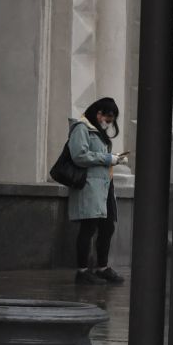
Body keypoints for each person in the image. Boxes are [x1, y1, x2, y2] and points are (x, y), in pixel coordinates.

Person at [67, 97, 127, 285]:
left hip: (105, 186)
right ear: (98, 112)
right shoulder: (81, 128)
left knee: (108, 227)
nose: (108, 123)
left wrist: (115, 158)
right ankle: (82, 271)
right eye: (107, 118)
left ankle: (102, 267)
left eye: (111, 120)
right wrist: (109, 158)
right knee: (89, 227)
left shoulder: (97, 132)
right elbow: (79, 156)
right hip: (90, 186)